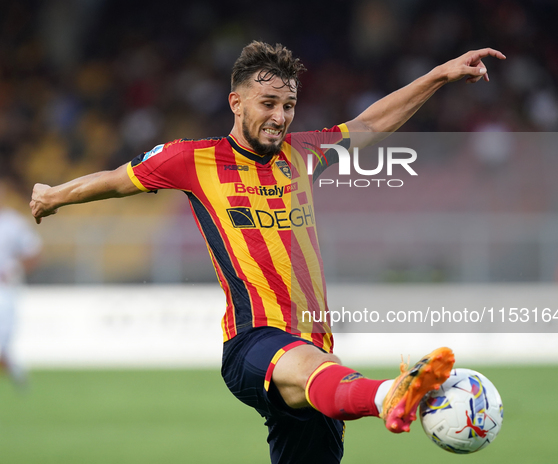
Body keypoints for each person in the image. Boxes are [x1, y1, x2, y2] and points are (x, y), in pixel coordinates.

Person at [30, 42, 505, 463]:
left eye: (289, 105)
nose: (280, 116)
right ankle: (389, 395)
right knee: (320, 370)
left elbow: (369, 122)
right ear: (236, 103)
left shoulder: (302, 154)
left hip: (316, 353)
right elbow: (115, 180)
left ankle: (380, 394)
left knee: (318, 393)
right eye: (269, 103)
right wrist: (52, 196)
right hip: (253, 342)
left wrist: (440, 74)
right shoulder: (192, 160)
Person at [0, 177, 42, 386]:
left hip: (4, 289)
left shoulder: (13, 223)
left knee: (2, 343)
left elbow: (33, 251)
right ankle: (16, 372)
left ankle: (16, 372)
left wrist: (15, 268)